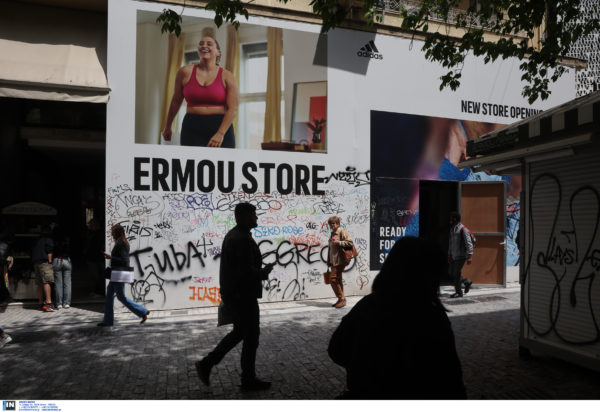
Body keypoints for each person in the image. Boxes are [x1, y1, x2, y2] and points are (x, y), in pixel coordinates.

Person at [328, 236, 467, 399]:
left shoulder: (368, 307)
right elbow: (451, 381)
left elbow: (337, 350)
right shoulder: (432, 318)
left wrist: (363, 370)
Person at [195, 203, 274, 391]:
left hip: (237, 295)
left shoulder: (236, 235)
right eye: (253, 215)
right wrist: (264, 272)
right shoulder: (241, 239)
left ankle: (209, 364)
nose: (256, 218)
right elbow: (245, 272)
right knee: (251, 336)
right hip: (243, 296)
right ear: (244, 217)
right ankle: (246, 379)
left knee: (240, 332)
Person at [162, 27, 239, 148]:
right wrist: (168, 126)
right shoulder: (184, 72)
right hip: (192, 127)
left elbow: (232, 108)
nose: (204, 46)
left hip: (220, 126)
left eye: (209, 44)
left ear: (218, 52)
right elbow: (176, 101)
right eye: (201, 43)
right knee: (190, 160)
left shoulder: (227, 76)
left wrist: (220, 133)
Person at [97, 224, 150, 327]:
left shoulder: (121, 243)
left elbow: (124, 260)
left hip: (118, 275)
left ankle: (142, 311)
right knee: (110, 296)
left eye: (113, 231)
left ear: (117, 232)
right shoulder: (120, 242)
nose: (111, 233)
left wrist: (111, 257)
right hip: (115, 274)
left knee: (121, 297)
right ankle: (108, 321)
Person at [326, 216, 354, 308]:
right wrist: (328, 260)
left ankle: (342, 299)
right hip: (334, 260)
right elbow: (330, 249)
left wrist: (339, 242)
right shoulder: (332, 233)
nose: (332, 225)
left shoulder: (342, 231)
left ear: (337, 224)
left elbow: (350, 242)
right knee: (338, 279)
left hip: (341, 260)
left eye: (333, 223)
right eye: (330, 224)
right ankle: (340, 299)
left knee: (333, 279)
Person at [448, 211, 473, 298]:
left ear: (455, 219)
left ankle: (459, 292)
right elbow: (451, 243)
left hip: (461, 256)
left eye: (451, 218)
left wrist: (469, 256)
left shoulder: (463, 229)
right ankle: (467, 281)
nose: (450, 219)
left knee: (456, 274)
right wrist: (449, 255)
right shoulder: (452, 229)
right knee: (451, 273)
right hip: (453, 255)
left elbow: (469, 243)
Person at [32, 226, 55, 312]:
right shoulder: (48, 239)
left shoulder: (37, 240)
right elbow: (49, 250)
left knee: (39, 283)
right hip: (44, 262)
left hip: (36, 262)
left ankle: (40, 303)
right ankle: (48, 303)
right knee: (46, 282)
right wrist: (50, 261)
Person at [52, 231, 72, 309]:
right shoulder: (67, 242)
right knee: (67, 283)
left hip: (57, 260)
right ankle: (66, 303)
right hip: (67, 260)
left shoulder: (54, 242)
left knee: (58, 283)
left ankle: (59, 303)